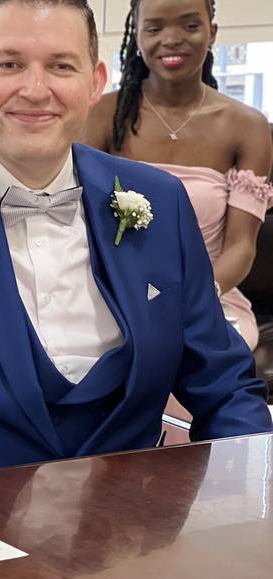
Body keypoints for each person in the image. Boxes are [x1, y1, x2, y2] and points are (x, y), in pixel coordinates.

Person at [0, 0, 273, 485]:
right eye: (10, 64)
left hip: (132, 529)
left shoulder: (161, 200)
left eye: (61, 66)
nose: (36, 91)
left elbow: (225, 386)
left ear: (95, 83)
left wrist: (250, 500)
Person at [81, 0, 273, 351]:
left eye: (189, 26)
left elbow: (241, 247)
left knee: (192, 353)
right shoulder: (100, 115)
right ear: (137, 36)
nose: (171, 39)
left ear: (212, 32)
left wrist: (189, 300)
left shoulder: (249, 127)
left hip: (209, 295)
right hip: (114, 292)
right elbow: (77, 225)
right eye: (154, 29)